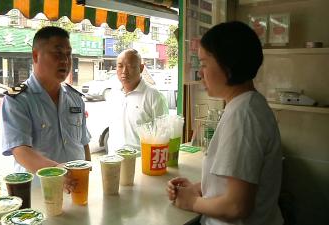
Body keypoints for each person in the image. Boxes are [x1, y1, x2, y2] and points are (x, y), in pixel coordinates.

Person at [166, 21, 283, 225]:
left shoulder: (243, 115)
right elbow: (236, 180)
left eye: (204, 64)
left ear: (228, 65)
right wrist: (199, 188)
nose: (200, 72)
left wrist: (191, 202)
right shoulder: (247, 105)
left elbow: (237, 206)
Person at [0, 26, 91, 186]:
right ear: (36, 55)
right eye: (57, 53)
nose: (65, 60)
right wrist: (56, 171)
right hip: (38, 193)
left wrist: (88, 173)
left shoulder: (75, 98)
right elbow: (20, 151)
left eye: (68, 54)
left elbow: (83, 143)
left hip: (77, 188)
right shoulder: (17, 100)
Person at [107, 49, 169, 154]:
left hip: (140, 164)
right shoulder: (113, 94)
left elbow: (163, 137)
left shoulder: (154, 96)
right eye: (120, 66)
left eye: (130, 66)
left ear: (141, 68)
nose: (124, 71)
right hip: (114, 161)